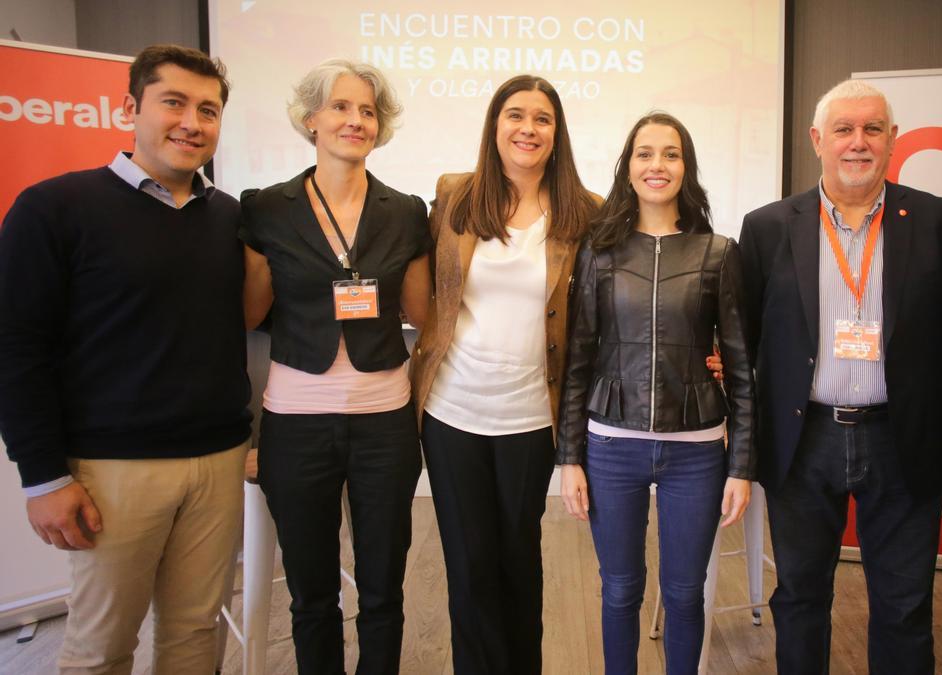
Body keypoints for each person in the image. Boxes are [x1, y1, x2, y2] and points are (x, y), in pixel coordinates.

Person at [0, 44, 250, 673]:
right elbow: (16, 347)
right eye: (174, 103)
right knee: (102, 647)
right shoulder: (54, 208)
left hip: (217, 463)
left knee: (197, 634)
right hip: (111, 470)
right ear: (130, 108)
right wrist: (44, 477)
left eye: (209, 110)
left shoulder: (231, 219)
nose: (192, 122)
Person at [739, 79, 942, 674]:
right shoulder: (767, 227)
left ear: (893, 139)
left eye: (872, 129)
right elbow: (751, 333)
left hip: (900, 436)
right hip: (802, 437)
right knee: (800, 597)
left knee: (904, 603)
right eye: (844, 129)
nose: (858, 142)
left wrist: (908, 380)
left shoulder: (940, 222)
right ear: (818, 140)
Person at [239, 59, 432, 675]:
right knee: (311, 595)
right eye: (342, 107)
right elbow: (248, 315)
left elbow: (422, 311)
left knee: (383, 589)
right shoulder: (267, 208)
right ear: (311, 119)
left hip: (385, 424)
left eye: (368, 110)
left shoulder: (405, 211)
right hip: (294, 423)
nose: (356, 120)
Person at [408, 74, 598, 674]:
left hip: (531, 417)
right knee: (468, 564)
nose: (528, 129)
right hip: (452, 409)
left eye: (542, 118)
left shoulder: (585, 213)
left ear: (557, 132)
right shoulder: (456, 195)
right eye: (516, 115)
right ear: (496, 125)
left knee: (519, 556)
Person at [557, 111, 754, 674]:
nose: (657, 165)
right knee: (619, 590)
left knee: (685, 595)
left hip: (695, 453)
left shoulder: (718, 252)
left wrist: (740, 465)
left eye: (670, 154)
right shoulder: (599, 251)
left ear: (685, 167)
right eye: (645, 153)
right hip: (611, 448)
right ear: (629, 167)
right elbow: (578, 360)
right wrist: (570, 458)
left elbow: (741, 369)